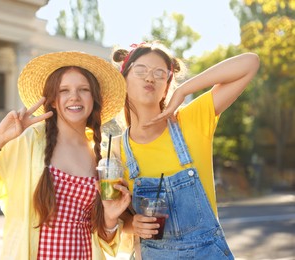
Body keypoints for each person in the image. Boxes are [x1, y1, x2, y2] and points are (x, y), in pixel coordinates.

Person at [0, 51, 131, 260]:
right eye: (64, 90)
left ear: (94, 99)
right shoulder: (28, 142)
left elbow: (106, 242)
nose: (75, 97)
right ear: (53, 100)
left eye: (84, 90)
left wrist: (110, 219)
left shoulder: (100, 154)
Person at [109, 42, 260, 259]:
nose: (150, 78)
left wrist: (184, 90)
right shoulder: (115, 151)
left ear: (166, 87)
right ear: (123, 80)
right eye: (140, 70)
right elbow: (117, 219)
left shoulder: (190, 121)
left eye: (160, 73)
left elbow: (249, 62)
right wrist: (134, 224)